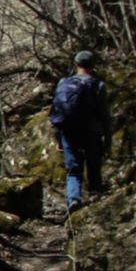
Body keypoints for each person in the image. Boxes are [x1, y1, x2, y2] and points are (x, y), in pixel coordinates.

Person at [50, 50, 113, 213]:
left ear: (75, 64)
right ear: (93, 66)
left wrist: (58, 139)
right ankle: (95, 196)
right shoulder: (97, 85)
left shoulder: (64, 83)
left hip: (69, 133)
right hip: (92, 131)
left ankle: (74, 199)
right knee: (94, 166)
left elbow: (57, 112)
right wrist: (108, 142)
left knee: (73, 169)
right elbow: (105, 115)